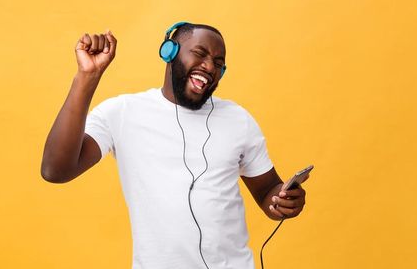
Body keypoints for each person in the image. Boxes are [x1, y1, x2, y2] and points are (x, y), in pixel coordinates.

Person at [40, 23, 307, 269]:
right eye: (200, 54)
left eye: (218, 62)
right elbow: (56, 170)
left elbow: (267, 192)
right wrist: (87, 77)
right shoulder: (122, 113)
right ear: (170, 53)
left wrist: (282, 201)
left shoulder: (239, 119)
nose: (209, 66)